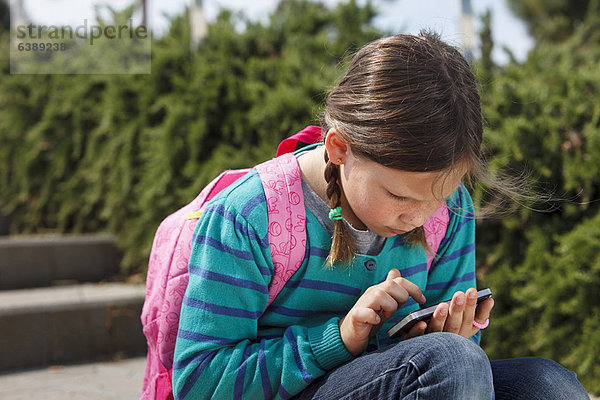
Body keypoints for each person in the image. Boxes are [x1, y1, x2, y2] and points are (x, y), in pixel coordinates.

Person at [171, 31, 589, 399]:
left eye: (436, 197)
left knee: (548, 384)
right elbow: (198, 382)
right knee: (451, 362)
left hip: (408, 380)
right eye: (397, 195)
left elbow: (455, 369)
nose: (418, 216)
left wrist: (453, 334)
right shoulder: (251, 216)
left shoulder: (450, 210)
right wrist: (339, 338)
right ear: (339, 148)